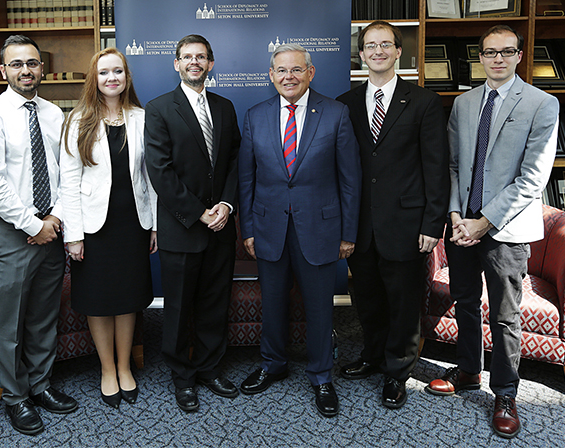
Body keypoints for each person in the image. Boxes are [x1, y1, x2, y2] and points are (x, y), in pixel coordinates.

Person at [425, 25, 559, 439]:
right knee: (465, 301)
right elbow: (451, 166)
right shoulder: (464, 104)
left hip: (505, 228)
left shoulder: (543, 103)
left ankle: (505, 392)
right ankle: (468, 370)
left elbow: (533, 178)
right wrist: (453, 216)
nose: (497, 59)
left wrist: (484, 221)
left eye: (506, 52)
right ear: (479, 58)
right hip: (461, 225)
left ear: (519, 56)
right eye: (489, 52)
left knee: (504, 315)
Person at [238, 43, 362, 417]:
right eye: (281, 70)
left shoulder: (337, 113)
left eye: (296, 70)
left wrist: (348, 234)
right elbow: (246, 178)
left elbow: (350, 180)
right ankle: (272, 364)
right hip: (268, 226)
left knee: (320, 308)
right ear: (270, 75)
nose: (288, 77)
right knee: (272, 303)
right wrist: (248, 229)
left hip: (321, 229)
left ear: (310, 73)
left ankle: (322, 376)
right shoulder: (255, 115)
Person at [336, 21, 449, 409]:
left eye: (386, 44)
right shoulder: (345, 104)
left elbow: (435, 168)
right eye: (371, 45)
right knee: (366, 297)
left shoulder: (423, 102)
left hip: (406, 224)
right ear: (362, 54)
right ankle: (372, 355)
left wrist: (432, 225)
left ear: (399, 51)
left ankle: (398, 371)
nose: (378, 51)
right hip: (360, 226)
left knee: (403, 301)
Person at [0, 35, 78, 435]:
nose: (25, 70)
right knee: (10, 322)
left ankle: (41, 385)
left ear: (42, 68)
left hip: (51, 230)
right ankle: (16, 398)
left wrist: (55, 220)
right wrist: (33, 225)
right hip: (11, 233)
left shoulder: (54, 114)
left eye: (32, 63)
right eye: (16, 64)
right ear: (3, 71)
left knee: (43, 317)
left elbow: (67, 173)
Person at [145, 34, 241, 412]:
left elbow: (235, 161)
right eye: (187, 57)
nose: (194, 62)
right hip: (182, 227)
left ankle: (209, 368)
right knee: (181, 306)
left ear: (211, 63)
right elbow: (161, 171)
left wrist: (227, 206)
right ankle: (182, 376)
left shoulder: (225, 106)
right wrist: (199, 212)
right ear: (176, 64)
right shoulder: (159, 108)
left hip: (221, 225)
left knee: (215, 302)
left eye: (201, 57)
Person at [60, 48, 157, 409]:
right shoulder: (78, 121)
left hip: (133, 223)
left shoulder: (142, 119)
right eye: (104, 73)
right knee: (99, 301)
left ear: (127, 77)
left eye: (118, 71)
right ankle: (107, 369)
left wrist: (155, 225)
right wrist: (73, 234)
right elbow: (68, 183)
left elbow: (152, 178)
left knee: (128, 298)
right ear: (94, 79)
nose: (111, 78)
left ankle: (124, 364)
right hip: (93, 227)